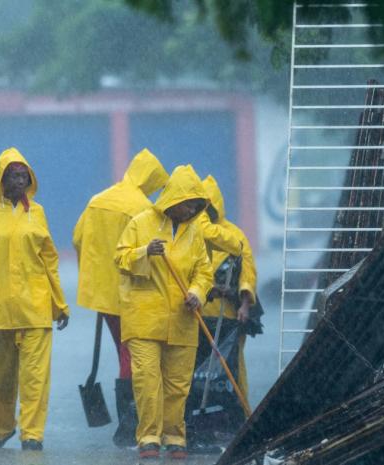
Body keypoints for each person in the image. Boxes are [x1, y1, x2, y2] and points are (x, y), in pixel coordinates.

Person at [0, 147, 69, 451]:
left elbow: (49, 261)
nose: (20, 181)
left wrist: (59, 305)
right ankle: (0, 429)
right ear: (1, 179)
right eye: (14, 175)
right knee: (0, 380)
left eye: (25, 175)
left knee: (35, 379)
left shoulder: (38, 212)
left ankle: (32, 434)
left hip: (35, 308)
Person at [115, 165, 213, 460]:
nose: (191, 211)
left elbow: (204, 272)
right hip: (144, 317)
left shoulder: (194, 232)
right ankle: (148, 437)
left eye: (196, 207)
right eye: (188, 205)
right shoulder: (141, 223)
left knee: (178, 384)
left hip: (183, 319)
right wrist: (145, 251)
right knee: (146, 379)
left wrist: (196, 294)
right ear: (174, 199)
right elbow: (120, 257)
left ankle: (174, 437)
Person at [72, 148, 169, 447]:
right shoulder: (142, 208)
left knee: (123, 353)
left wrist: (95, 274)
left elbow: (78, 239)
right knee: (136, 357)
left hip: (103, 294)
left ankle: (134, 424)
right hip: (134, 293)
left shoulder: (97, 200)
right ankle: (131, 426)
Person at [185, 175, 258, 451]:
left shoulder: (233, 235)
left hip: (227, 317)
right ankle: (194, 419)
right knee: (197, 372)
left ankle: (236, 415)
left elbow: (247, 271)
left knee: (231, 369)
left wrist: (244, 303)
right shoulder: (191, 234)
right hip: (199, 315)